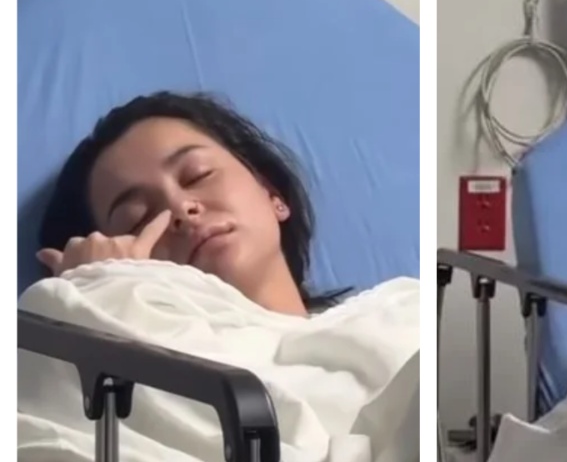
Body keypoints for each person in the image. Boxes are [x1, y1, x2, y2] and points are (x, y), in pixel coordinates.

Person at [37, 91, 347, 315]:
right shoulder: (135, 380)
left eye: (198, 175)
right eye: (138, 219)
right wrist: (95, 291)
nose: (181, 209)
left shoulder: (373, 324)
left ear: (271, 193)